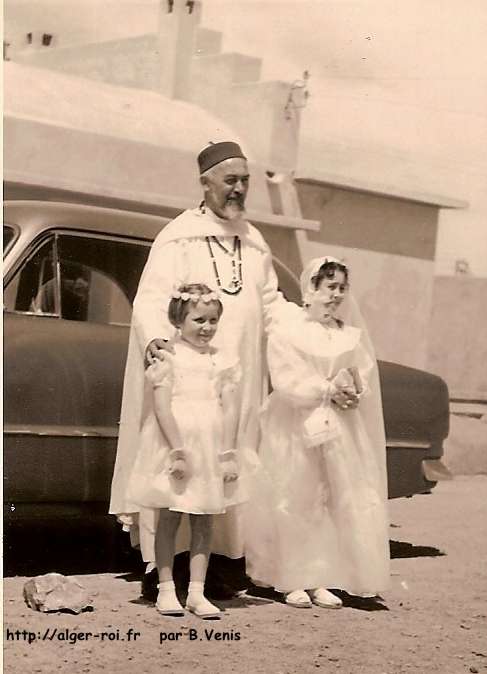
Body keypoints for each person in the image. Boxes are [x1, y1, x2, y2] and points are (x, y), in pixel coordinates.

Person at [109, 141, 318, 589]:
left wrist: (311, 329)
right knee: (179, 463)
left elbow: (270, 303)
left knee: (227, 460)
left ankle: (219, 566)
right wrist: (158, 342)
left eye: (245, 181)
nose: (239, 189)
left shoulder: (254, 241)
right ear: (205, 184)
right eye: (230, 180)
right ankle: (166, 570)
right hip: (187, 378)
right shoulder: (178, 237)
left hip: (235, 379)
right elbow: (151, 299)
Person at [245, 256, 390, 608]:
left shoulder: (348, 335)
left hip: (338, 426)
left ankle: (321, 576)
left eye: (342, 288)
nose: (337, 295)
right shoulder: (289, 331)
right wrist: (324, 389)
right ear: (311, 289)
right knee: (294, 496)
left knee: (330, 498)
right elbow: (286, 379)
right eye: (330, 287)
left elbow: (361, 374)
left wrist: (353, 392)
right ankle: (289, 577)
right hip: (295, 424)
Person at [125, 283, 246, 618]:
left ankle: (196, 591)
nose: (207, 328)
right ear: (179, 320)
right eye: (199, 320)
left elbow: (231, 408)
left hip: (209, 444)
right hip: (175, 441)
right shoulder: (169, 357)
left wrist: (228, 452)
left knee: (204, 518)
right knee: (170, 516)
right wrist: (177, 450)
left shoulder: (223, 360)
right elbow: (162, 407)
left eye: (212, 321)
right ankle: (166, 588)